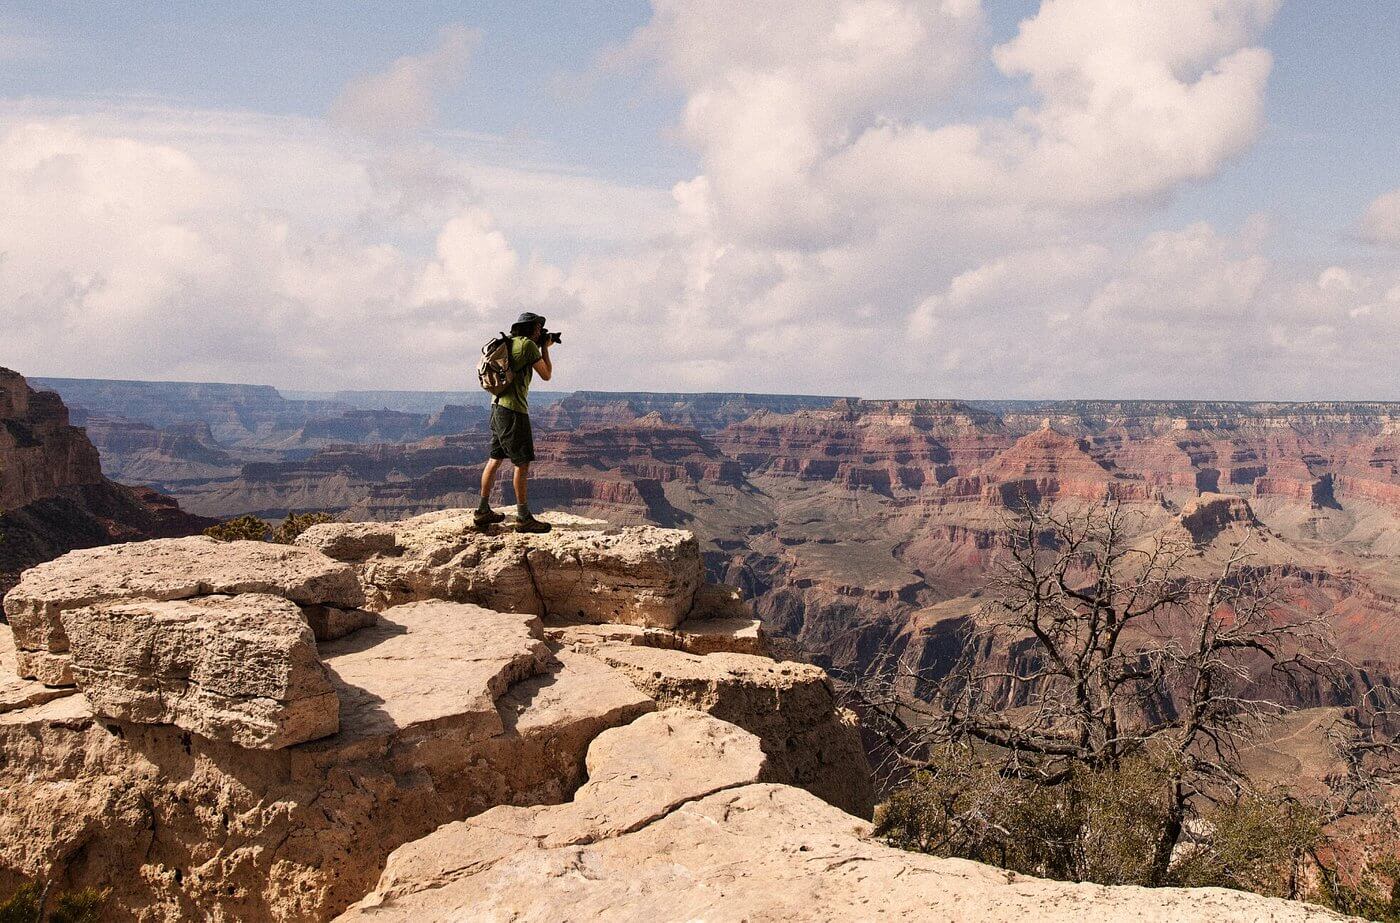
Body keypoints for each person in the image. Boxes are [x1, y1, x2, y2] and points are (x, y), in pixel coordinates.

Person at [476, 311, 554, 533]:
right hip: (514, 412)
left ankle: (482, 511)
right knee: (522, 463)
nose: (540, 331)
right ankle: (523, 517)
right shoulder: (529, 346)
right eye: (539, 328)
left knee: (495, 459)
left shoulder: (510, 343)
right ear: (532, 329)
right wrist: (545, 348)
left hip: (496, 408)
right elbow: (546, 374)